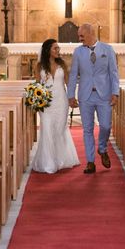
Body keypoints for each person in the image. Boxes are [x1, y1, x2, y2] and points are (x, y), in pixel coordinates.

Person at [68, 24, 120, 174]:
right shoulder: (78, 52)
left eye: (81, 36)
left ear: (91, 34)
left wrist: (115, 93)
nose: (79, 39)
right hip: (85, 96)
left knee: (105, 126)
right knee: (88, 129)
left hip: (104, 95)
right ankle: (90, 162)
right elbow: (73, 74)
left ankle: (102, 148)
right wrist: (70, 95)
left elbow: (113, 73)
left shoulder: (107, 49)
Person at [31, 38, 80, 174]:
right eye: (55, 48)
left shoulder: (62, 65)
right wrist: (36, 102)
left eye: (58, 48)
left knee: (59, 130)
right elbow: (36, 85)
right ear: (48, 50)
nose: (58, 51)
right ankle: (48, 163)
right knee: (46, 130)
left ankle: (60, 160)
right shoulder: (40, 66)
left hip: (61, 102)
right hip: (46, 103)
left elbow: (68, 83)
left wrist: (71, 99)